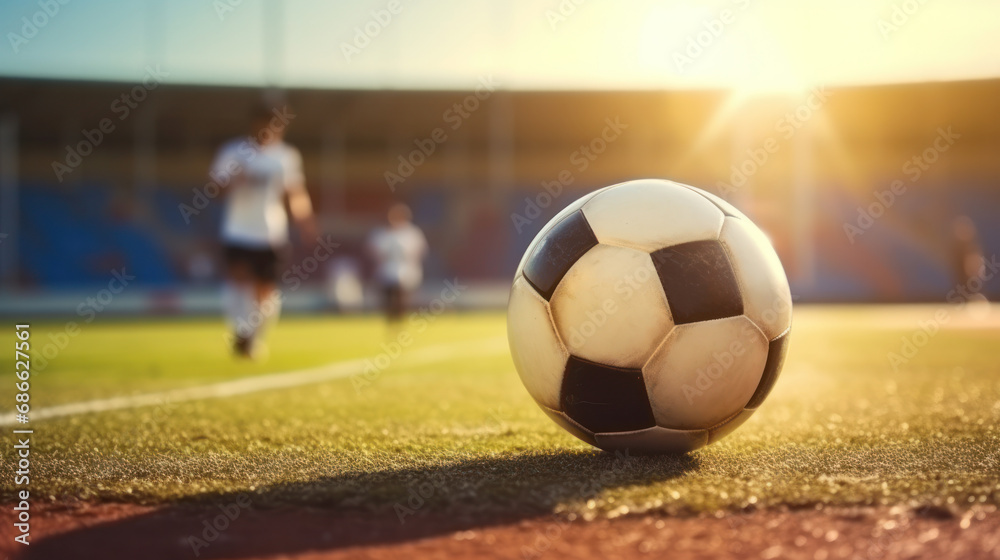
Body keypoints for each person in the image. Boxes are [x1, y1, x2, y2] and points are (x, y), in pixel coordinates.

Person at [211, 103, 316, 358]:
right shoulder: (233, 152)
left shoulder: (286, 156)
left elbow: (295, 193)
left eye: (275, 124)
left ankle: (254, 336)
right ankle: (240, 331)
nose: (269, 129)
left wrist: (306, 221)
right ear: (254, 124)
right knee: (238, 281)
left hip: (271, 234)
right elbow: (213, 189)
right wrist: (235, 180)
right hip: (237, 231)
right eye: (264, 123)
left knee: (264, 290)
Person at [367, 203, 427, 321]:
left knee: (401, 299)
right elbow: (372, 250)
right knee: (388, 300)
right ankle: (391, 322)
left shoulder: (412, 233)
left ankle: (400, 321)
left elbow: (420, 250)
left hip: (405, 271)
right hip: (386, 271)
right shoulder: (382, 233)